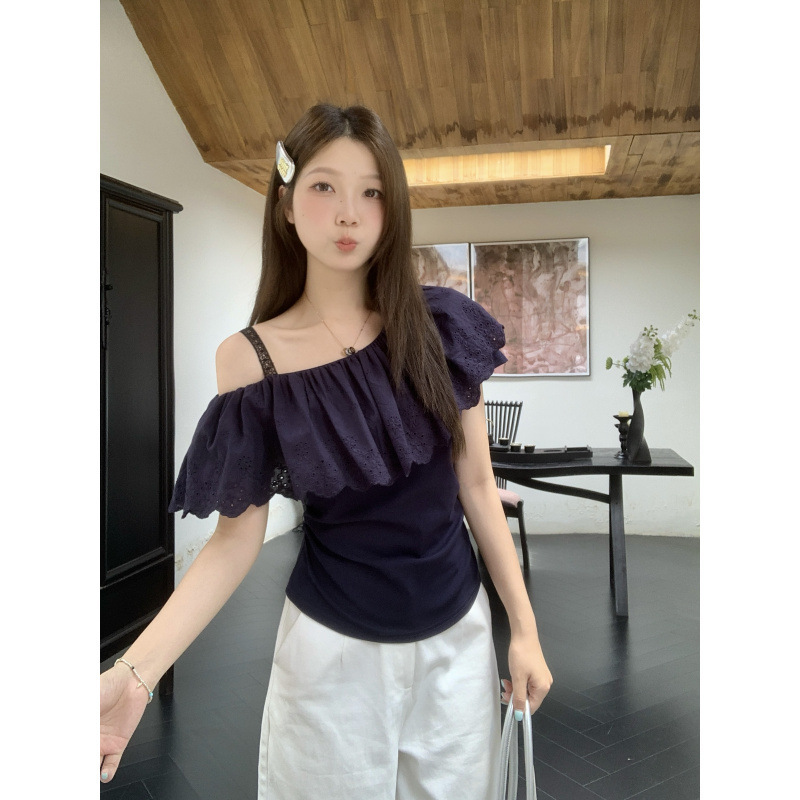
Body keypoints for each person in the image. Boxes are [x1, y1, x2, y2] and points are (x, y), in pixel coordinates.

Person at [100, 103, 552, 799]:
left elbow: (475, 487)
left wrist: (523, 628)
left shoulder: (440, 325)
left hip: (458, 639)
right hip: (331, 652)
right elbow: (234, 541)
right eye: (323, 186)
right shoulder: (250, 360)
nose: (349, 214)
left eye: (372, 192)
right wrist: (134, 676)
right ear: (285, 204)